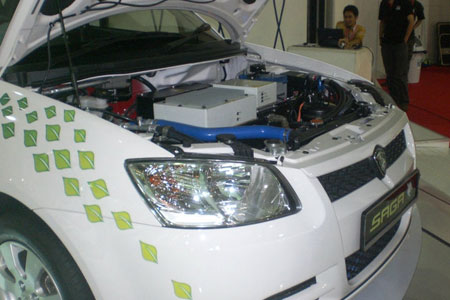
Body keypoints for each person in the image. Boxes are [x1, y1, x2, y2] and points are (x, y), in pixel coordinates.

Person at [379, 0, 415, 112]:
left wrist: (405, 39)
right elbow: (382, 22)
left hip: (400, 43)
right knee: (390, 74)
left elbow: (411, 21)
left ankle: (403, 101)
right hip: (387, 43)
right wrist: (380, 37)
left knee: (400, 74)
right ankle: (393, 100)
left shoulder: (404, 3)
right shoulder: (384, 3)